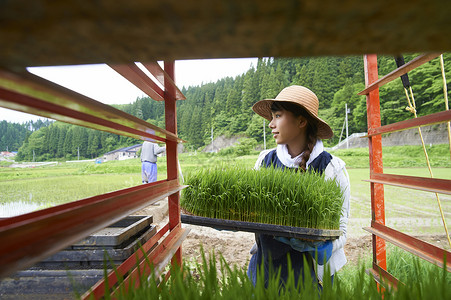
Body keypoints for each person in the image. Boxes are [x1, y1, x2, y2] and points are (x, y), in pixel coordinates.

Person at [247, 85, 351, 289]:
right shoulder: (264, 161)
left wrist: (321, 247)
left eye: (277, 116)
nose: (271, 124)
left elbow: (342, 229)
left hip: (309, 277)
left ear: (301, 121)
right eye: (271, 117)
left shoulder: (331, 169)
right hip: (265, 271)